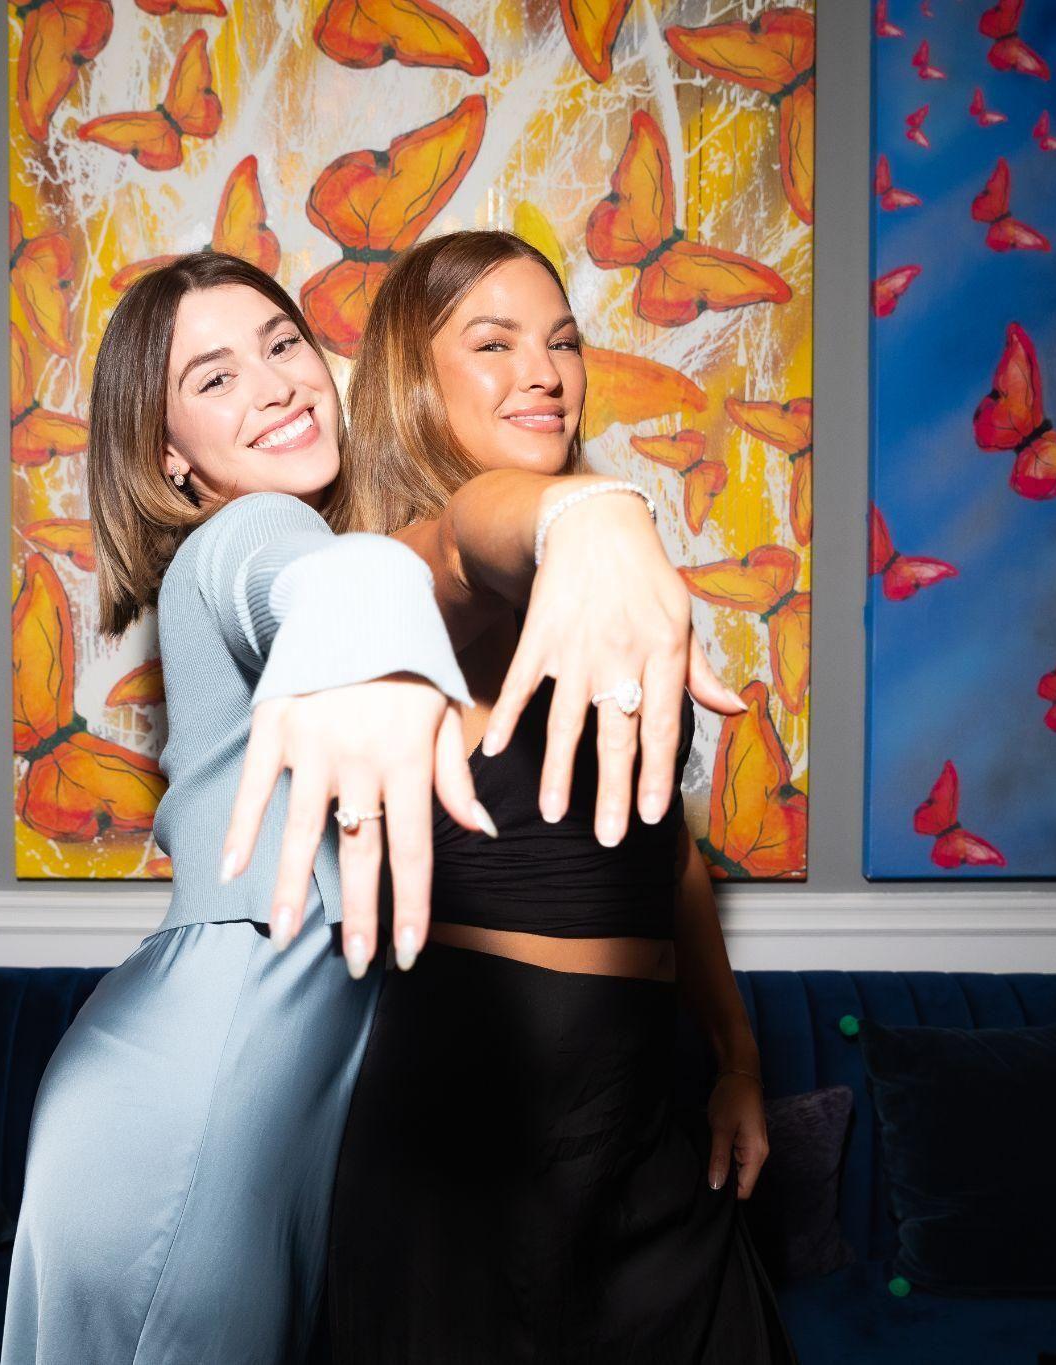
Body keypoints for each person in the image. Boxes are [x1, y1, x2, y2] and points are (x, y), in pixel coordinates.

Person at [1, 252, 725, 1365]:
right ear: (167, 455)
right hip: (198, 1091)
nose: (274, 386)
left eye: (282, 345)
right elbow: (340, 575)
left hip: (292, 1096)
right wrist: (587, 517)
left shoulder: (332, 545)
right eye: (214, 378)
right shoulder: (243, 541)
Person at [322, 230, 800, 1363]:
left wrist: (735, 1059)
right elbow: (460, 538)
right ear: (413, 382)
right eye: (493, 344)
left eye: (563, 342)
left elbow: (666, 851)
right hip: (473, 1159)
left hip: (646, 1133)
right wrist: (587, 512)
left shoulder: (605, 585)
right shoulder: (390, 582)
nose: (543, 373)